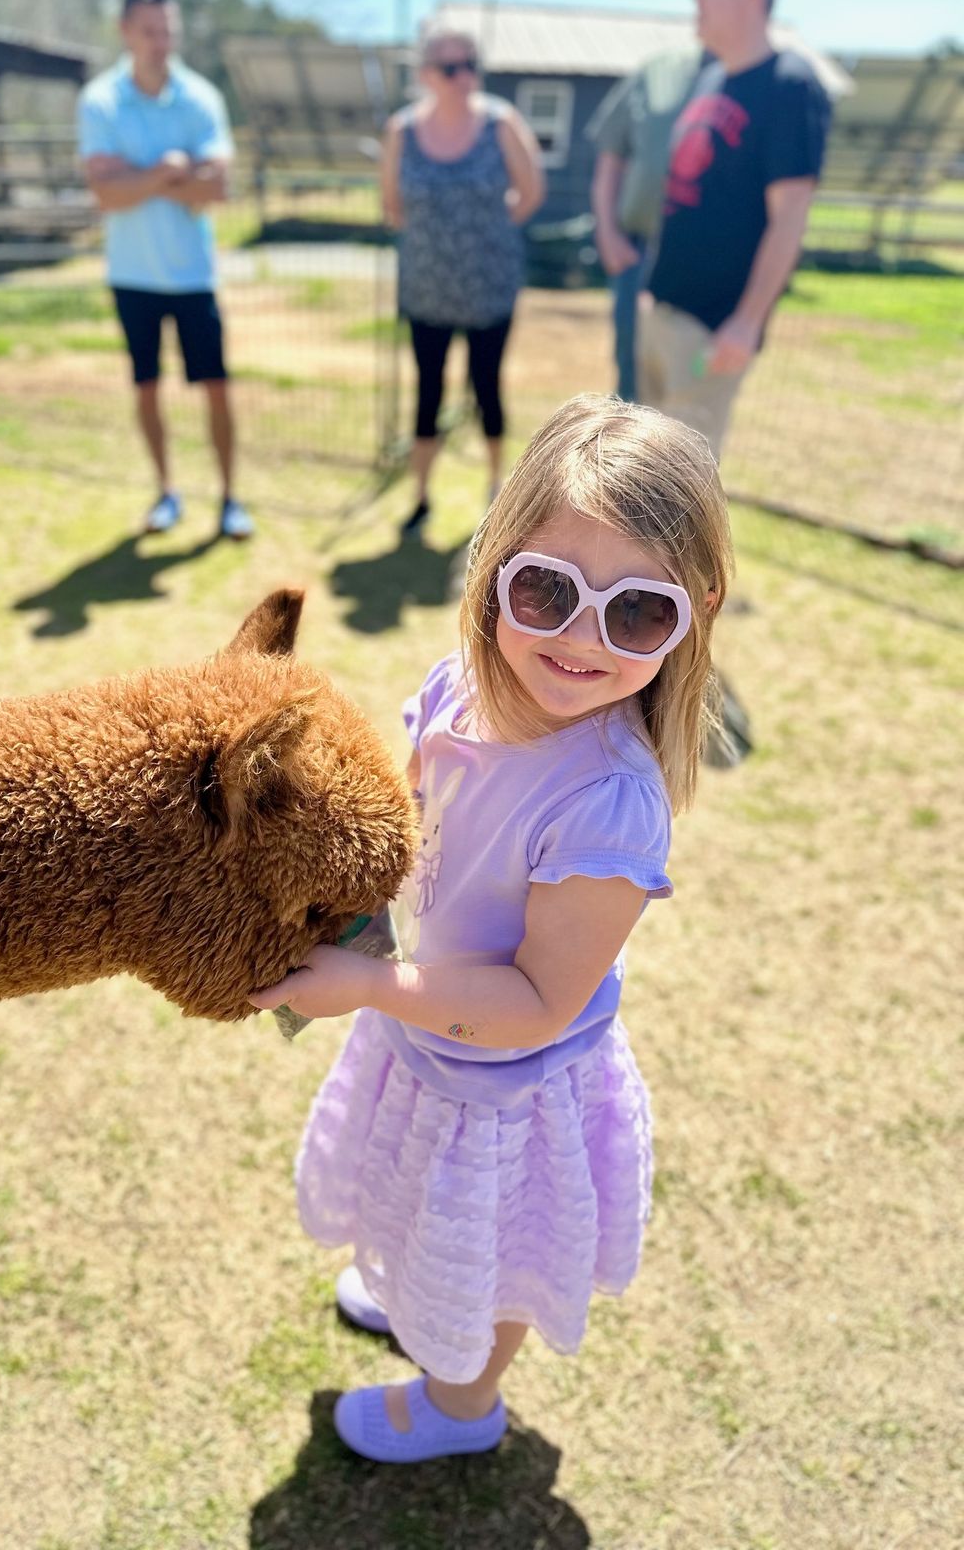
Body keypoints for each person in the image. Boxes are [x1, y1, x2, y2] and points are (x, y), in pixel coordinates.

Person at [250, 394, 733, 1462]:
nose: (578, 638)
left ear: (697, 609)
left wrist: (370, 986)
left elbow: (533, 1003)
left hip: (501, 1084)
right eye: (549, 589)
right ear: (496, 563)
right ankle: (419, 1299)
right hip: (422, 1031)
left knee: (490, 1248)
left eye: (636, 612)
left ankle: (463, 1406)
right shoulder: (460, 682)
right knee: (420, 1208)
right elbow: (412, 825)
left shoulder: (608, 802)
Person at [78, 0, 253, 540]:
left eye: (168, 31)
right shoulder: (100, 100)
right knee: (147, 388)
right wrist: (171, 171)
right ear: (126, 31)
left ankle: (229, 498)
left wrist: (136, 177)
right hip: (132, 277)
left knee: (216, 388)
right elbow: (104, 195)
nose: (161, 43)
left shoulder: (201, 97)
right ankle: (166, 492)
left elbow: (218, 187)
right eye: (150, 31)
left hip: (193, 275)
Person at [639, 0, 831, 458]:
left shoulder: (789, 84)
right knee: (638, 475)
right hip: (663, 310)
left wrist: (747, 321)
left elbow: (790, 217)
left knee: (676, 492)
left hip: (712, 329)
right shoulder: (710, 78)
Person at [380, 26, 545, 537]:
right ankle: (421, 498)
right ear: (426, 75)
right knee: (427, 394)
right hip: (427, 291)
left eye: (471, 64)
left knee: (487, 388)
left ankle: (497, 494)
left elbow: (531, 191)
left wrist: (486, 236)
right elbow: (391, 208)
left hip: (489, 290)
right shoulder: (401, 131)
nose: (463, 77)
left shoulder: (501, 124)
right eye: (451, 68)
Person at [587, 47, 704, 401]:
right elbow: (610, 158)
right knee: (633, 374)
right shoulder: (655, 72)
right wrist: (606, 231)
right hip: (639, 254)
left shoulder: (751, 81)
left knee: (692, 382)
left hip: (705, 262)